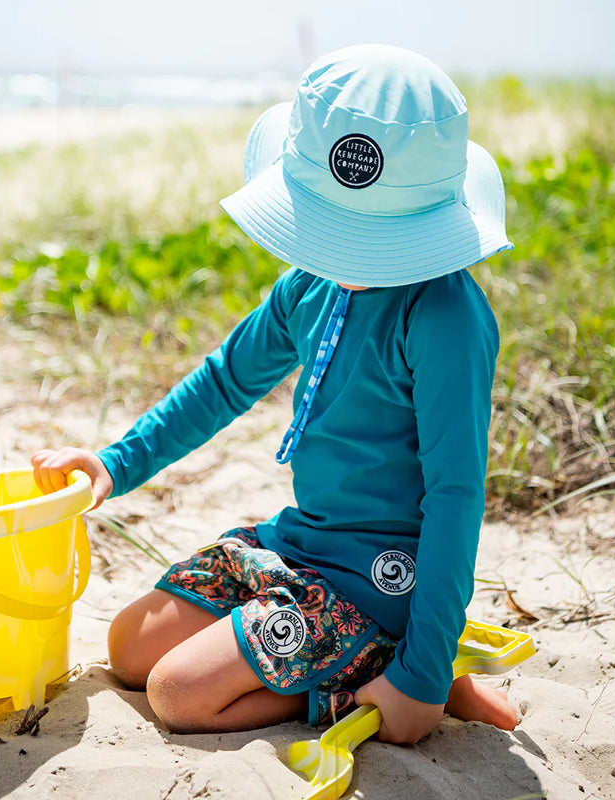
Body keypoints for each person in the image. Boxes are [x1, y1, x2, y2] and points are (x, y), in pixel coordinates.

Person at [32, 44, 518, 745]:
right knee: (130, 647)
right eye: (332, 229)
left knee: (177, 693)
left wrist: (420, 678)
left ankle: (407, 660)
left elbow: (454, 496)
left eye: (371, 239)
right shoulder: (309, 284)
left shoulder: (444, 316)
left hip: (379, 579)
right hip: (301, 547)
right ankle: (407, 660)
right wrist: (115, 463)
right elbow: (227, 380)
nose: (344, 257)